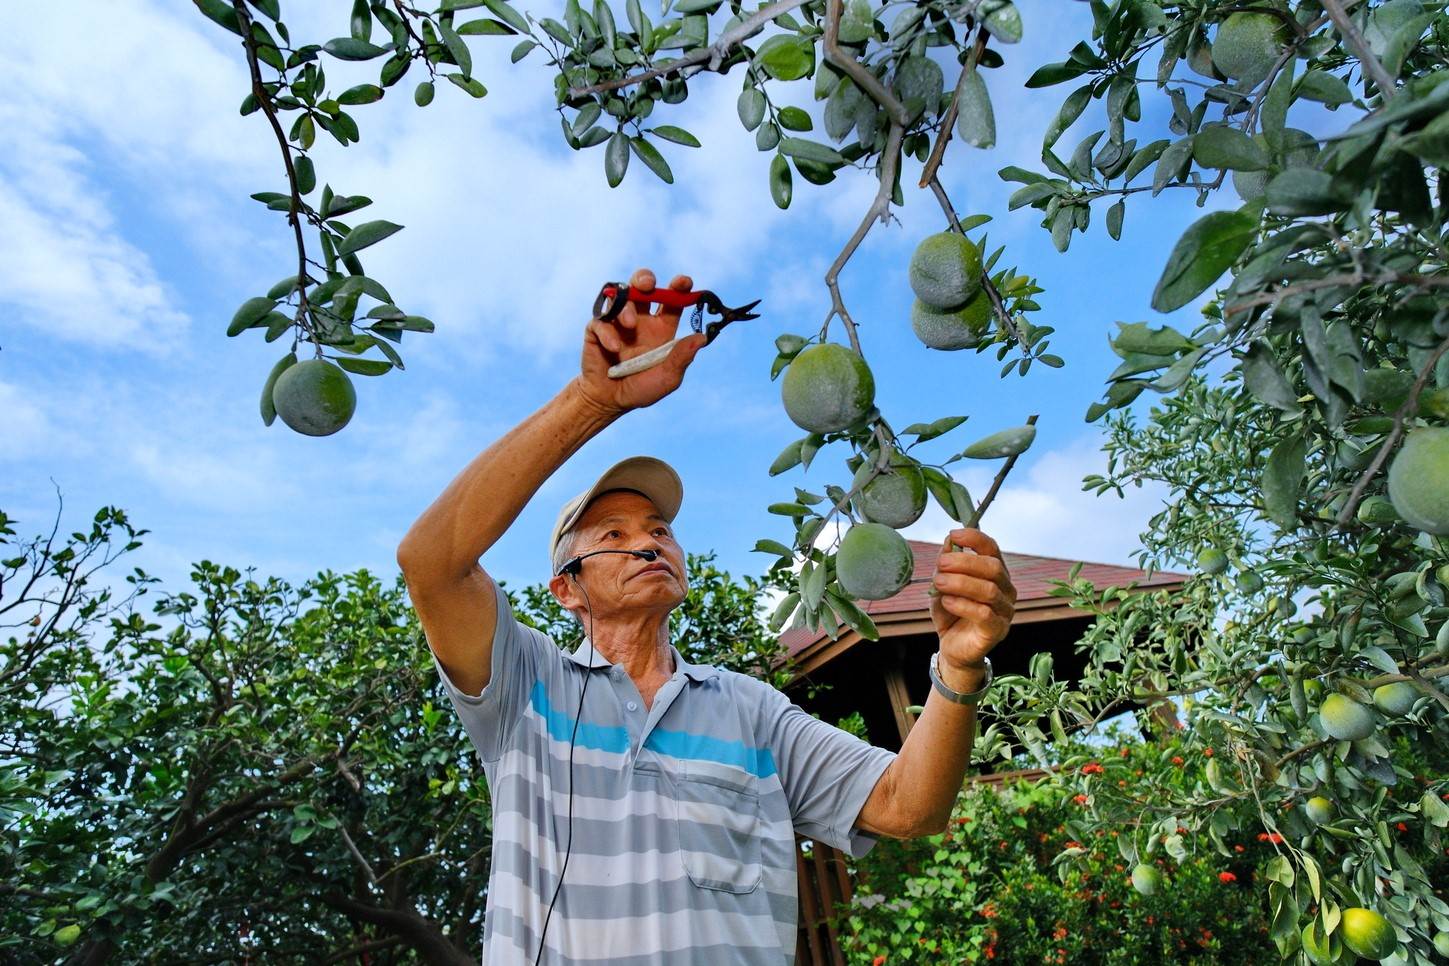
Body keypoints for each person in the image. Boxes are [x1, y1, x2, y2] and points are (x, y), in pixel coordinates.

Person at [396, 267, 1017, 964]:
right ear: (566, 589)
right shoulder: (524, 686)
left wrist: (958, 666)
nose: (648, 543)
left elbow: (911, 806)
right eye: (613, 535)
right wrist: (593, 402)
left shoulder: (751, 712)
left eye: (659, 530)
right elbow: (430, 562)